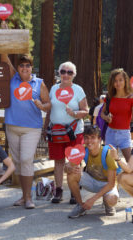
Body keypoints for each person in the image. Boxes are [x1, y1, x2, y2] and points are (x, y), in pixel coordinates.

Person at [0, 21, 51, 209]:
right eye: (21, 66)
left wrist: (41, 104)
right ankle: (23, 196)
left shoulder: (39, 83)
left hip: (31, 128)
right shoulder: (13, 77)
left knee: (27, 159)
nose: (24, 68)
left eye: (27, 66)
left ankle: (29, 198)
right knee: (19, 162)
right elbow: (4, 57)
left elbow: (48, 105)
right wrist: (4, 35)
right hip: (12, 126)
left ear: (31, 67)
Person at [44, 61, 88, 204]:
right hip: (56, 132)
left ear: (74, 75)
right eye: (63, 71)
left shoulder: (78, 90)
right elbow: (50, 109)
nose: (66, 75)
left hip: (74, 131)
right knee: (58, 161)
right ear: (59, 73)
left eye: (69, 72)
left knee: (75, 161)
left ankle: (74, 190)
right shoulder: (53, 88)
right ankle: (58, 190)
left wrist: (74, 113)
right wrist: (45, 127)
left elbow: (86, 111)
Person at [65, 126, 119, 218]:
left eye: (93, 137)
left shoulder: (107, 153)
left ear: (99, 139)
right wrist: (69, 169)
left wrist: (92, 200)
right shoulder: (83, 151)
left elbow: (111, 184)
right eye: (86, 138)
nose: (89, 141)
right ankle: (80, 205)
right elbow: (66, 167)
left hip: (107, 185)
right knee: (71, 175)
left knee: (111, 199)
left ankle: (107, 204)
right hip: (92, 181)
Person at [100, 68, 133, 162]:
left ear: (125, 81)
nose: (118, 83)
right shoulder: (109, 97)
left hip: (125, 134)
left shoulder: (132, 97)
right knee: (111, 163)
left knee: (131, 162)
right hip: (110, 133)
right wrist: (106, 117)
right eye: (115, 81)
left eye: (120, 80)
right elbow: (101, 113)